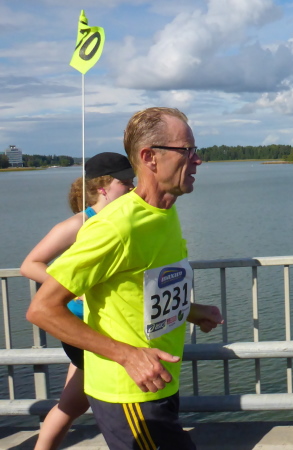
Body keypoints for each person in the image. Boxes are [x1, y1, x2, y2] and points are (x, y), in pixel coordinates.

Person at [26, 107, 223, 450]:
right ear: (149, 157)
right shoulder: (115, 226)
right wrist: (128, 355)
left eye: (195, 149)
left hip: (158, 382)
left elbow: (139, 290)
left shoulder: (164, 211)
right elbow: (42, 309)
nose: (197, 159)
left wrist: (192, 311)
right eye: (186, 150)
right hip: (129, 392)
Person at [20, 152, 135, 450]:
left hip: (104, 322)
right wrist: (72, 289)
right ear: (103, 187)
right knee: (123, 394)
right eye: (125, 182)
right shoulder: (79, 223)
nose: (132, 188)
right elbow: (30, 264)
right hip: (82, 323)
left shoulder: (121, 219)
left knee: (72, 404)